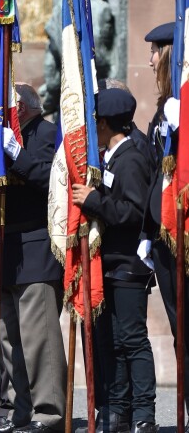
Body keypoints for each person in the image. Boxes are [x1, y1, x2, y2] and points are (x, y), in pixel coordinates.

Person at [73, 88, 157, 433]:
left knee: (133, 340)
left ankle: (143, 414)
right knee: (113, 341)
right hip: (108, 262)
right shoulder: (111, 157)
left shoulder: (132, 158)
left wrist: (93, 201)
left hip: (128, 264)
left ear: (105, 124)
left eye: (96, 123)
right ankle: (118, 409)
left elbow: (132, 213)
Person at [0, 83, 66, 433]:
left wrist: (15, 153)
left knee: (40, 338)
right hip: (6, 248)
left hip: (37, 244)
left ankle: (49, 410)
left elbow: (51, 178)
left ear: (20, 107)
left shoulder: (48, 133)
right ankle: (21, 409)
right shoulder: (1, 139)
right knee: (10, 340)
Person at [141, 21, 189, 430]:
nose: (151, 58)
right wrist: (146, 231)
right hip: (165, 237)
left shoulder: (184, 104)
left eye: (156, 51)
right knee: (180, 332)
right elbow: (157, 174)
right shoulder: (163, 108)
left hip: (186, 227)